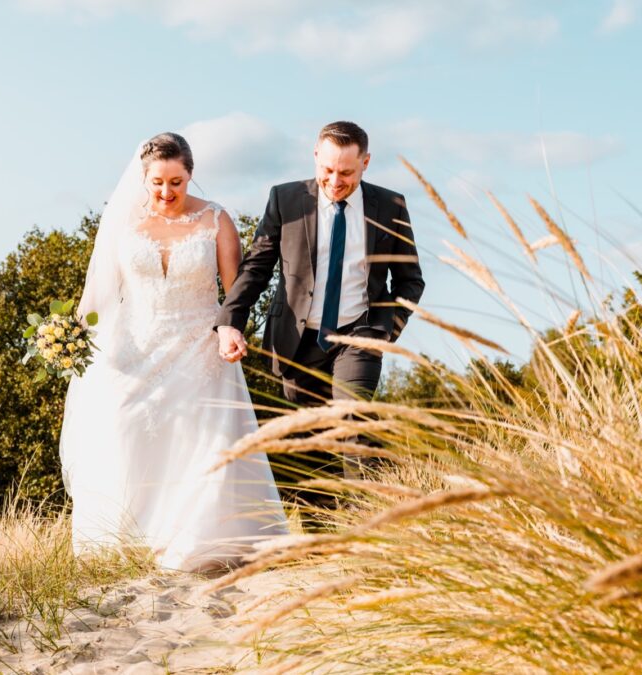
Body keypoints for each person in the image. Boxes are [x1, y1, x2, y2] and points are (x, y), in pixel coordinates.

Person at [58, 133, 289, 573]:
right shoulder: (123, 224)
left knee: (198, 442)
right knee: (126, 433)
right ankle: (126, 541)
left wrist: (230, 331)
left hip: (199, 346)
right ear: (143, 179)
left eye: (177, 183)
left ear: (191, 176)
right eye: (158, 183)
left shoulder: (216, 220)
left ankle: (190, 544)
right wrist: (70, 335)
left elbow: (236, 292)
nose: (167, 193)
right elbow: (99, 294)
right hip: (133, 346)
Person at [215, 121, 425, 491]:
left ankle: (366, 525)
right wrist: (230, 321)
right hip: (296, 341)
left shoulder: (390, 206)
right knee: (305, 449)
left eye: (346, 172)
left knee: (352, 423)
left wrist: (384, 331)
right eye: (327, 170)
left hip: (358, 337)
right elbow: (257, 267)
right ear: (315, 157)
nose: (335, 180)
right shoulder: (286, 199)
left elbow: (410, 280)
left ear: (366, 163)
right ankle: (319, 539)